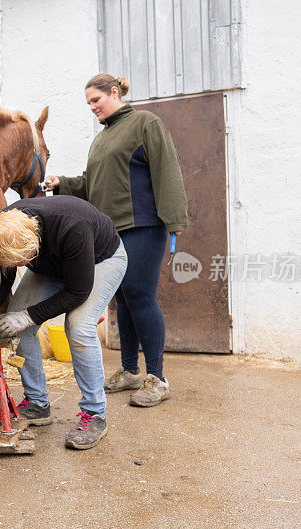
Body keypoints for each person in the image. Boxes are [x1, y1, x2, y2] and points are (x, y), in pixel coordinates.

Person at [44, 73, 189, 407]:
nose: (93, 108)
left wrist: (175, 218)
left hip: (143, 226)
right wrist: (61, 183)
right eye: (89, 104)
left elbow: (167, 169)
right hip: (110, 232)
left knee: (140, 296)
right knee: (122, 300)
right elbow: (91, 182)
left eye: (96, 100)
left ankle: (157, 378)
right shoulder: (101, 139)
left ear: (114, 92)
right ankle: (129, 370)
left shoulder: (144, 124)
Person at [0, 195, 127, 450]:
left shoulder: (73, 227)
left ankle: (95, 414)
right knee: (16, 326)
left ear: (34, 241)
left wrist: (27, 316)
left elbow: (77, 292)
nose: (18, 267)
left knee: (79, 326)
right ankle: (37, 404)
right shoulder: (5, 228)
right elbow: (2, 275)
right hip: (54, 264)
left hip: (100, 260)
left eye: (21, 261)